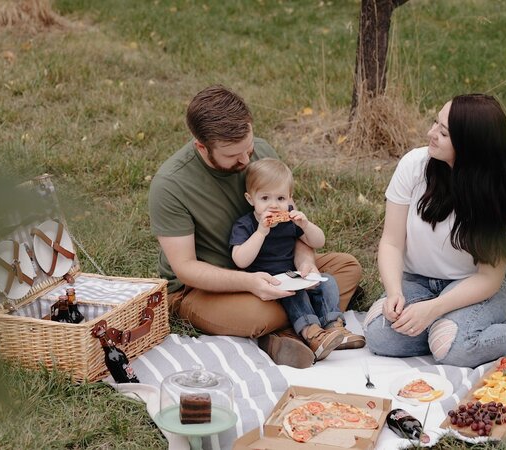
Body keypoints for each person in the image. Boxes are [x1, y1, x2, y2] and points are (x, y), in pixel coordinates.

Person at [149, 85, 362, 369]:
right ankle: (288, 330)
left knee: (347, 268)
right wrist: (251, 283)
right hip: (203, 287)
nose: (246, 160)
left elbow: (290, 221)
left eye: (248, 149)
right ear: (202, 146)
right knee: (258, 315)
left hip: (274, 265)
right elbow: (185, 268)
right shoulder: (170, 185)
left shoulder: (261, 151)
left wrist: (305, 259)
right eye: (233, 156)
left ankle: (291, 330)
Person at [364, 94, 506, 368]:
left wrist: (432, 310)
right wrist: (394, 292)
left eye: (443, 132)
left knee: (453, 350)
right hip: (417, 281)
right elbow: (391, 243)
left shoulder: (499, 195)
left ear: (471, 145)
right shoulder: (414, 166)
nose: (431, 134)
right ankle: (450, 330)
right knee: (380, 336)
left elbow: (489, 277)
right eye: (435, 124)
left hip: (474, 286)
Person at [230, 158, 366, 362]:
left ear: (290, 199)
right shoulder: (246, 225)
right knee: (294, 292)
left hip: (293, 273)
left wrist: (306, 225)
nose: (274, 205)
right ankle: (311, 333)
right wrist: (260, 232)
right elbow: (240, 260)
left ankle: (334, 327)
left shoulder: (290, 219)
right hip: (267, 281)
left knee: (327, 280)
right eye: (265, 198)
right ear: (251, 199)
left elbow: (319, 242)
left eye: (281, 198)